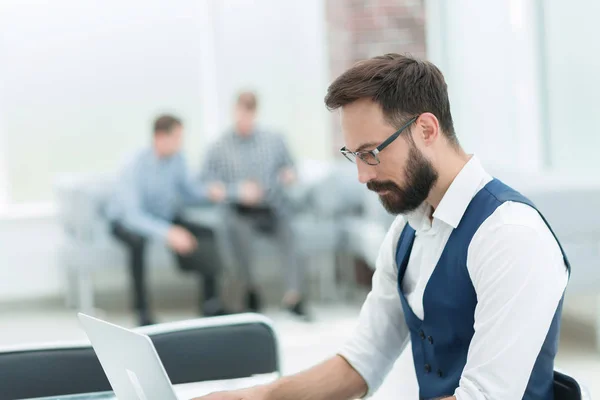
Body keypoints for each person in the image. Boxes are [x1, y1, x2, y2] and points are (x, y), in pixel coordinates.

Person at [194, 54, 570, 399]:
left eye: (371, 153)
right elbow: (362, 361)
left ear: (426, 130)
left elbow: (485, 397)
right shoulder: (406, 232)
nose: (361, 175)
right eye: (353, 155)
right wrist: (254, 396)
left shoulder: (510, 236)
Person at [106, 114, 227, 326]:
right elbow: (133, 216)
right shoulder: (133, 165)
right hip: (125, 222)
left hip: (162, 217)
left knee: (207, 233)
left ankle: (210, 304)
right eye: (177, 138)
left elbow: (187, 192)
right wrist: (168, 233)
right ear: (160, 137)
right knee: (137, 243)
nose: (181, 144)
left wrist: (209, 193)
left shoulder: (178, 159)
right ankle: (142, 312)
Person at [200, 92, 308, 318]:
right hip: (239, 211)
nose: (244, 119)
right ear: (234, 111)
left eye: (249, 114)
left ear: (255, 113)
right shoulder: (219, 146)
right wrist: (236, 191)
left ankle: (294, 297)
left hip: (272, 207)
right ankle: (250, 291)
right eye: (240, 113)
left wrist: (288, 176)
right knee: (238, 235)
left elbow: (291, 168)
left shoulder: (274, 140)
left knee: (290, 233)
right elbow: (206, 184)